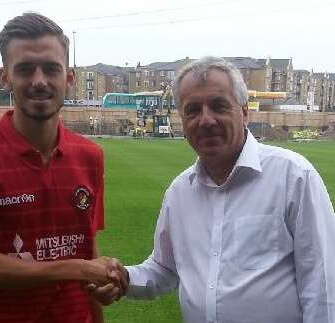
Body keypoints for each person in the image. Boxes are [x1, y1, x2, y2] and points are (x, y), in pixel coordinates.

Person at [89, 56, 335, 322]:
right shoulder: (180, 192)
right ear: (182, 121)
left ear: (243, 112)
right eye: (192, 110)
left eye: (218, 106)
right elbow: (164, 269)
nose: (205, 120)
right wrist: (125, 277)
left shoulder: (293, 176)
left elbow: (323, 285)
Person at [0, 12, 123, 323]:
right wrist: (80, 269)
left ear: (68, 78)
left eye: (51, 69)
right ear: (5, 77)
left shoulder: (90, 155)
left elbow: (86, 247)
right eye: (25, 69)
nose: (39, 81)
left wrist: (98, 285)